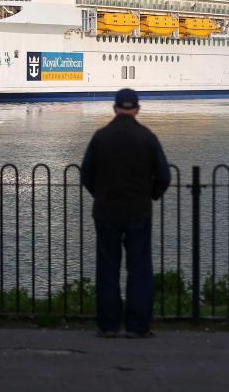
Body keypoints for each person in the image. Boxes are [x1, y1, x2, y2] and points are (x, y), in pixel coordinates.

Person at [81, 88, 171, 339]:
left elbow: (86, 174)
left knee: (107, 268)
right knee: (139, 269)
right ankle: (137, 326)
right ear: (137, 109)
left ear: (115, 108)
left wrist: (100, 195)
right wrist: (150, 195)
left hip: (106, 211)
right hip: (138, 211)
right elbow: (164, 176)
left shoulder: (100, 137)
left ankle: (108, 325)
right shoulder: (147, 137)